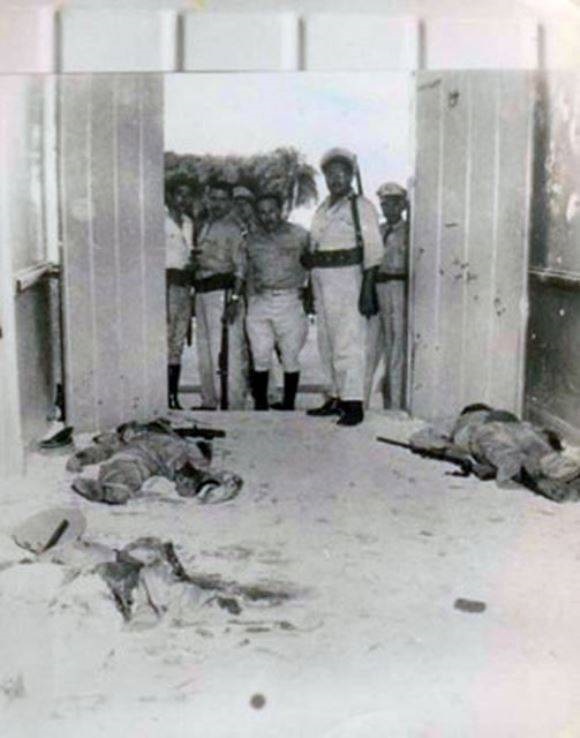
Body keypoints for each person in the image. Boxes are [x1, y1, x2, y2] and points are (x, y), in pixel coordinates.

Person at [304, 148, 383, 426]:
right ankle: (335, 396)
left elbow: (373, 249)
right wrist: (309, 286)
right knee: (326, 341)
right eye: (330, 175)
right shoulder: (323, 208)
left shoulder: (361, 206)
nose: (335, 179)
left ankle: (353, 402)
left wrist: (367, 288)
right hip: (321, 278)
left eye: (341, 174)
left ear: (350, 176)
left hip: (348, 278)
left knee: (348, 341)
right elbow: (314, 247)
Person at [67, 419, 243, 505]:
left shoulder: (189, 455)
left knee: (126, 473)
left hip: (149, 462)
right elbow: (104, 449)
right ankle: (106, 491)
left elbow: (226, 478)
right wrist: (81, 458)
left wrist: (210, 488)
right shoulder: (134, 439)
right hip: (136, 457)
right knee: (123, 471)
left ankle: (109, 491)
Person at [243, 193, 310, 411]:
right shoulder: (251, 239)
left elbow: (312, 265)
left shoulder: (300, 235)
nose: (267, 217)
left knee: (290, 355)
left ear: (280, 211)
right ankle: (260, 405)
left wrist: (308, 295)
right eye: (262, 212)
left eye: (271, 211)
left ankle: (288, 405)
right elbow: (244, 270)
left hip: (289, 299)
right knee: (260, 354)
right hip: (260, 301)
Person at [193, 181, 247, 410]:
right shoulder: (205, 224)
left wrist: (234, 300)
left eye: (222, 199)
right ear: (207, 199)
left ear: (230, 202)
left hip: (222, 292)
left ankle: (231, 405)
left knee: (226, 352)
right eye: (213, 198)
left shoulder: (233, 228)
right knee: (205, 350)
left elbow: (241, 268)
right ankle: (209, 401)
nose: (217, 204)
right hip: (202, 291)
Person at [365, 182, 409, 410]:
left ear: (403, 205)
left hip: (398, 287)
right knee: (370, 347)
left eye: (393, 203)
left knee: (396, 347)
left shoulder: (410, 231)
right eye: (384, 204)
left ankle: (395, 404)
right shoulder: (378, 231)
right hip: (378, 287)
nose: (388, 208)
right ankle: (360, 402)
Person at [165, 182, 194, 410]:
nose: (183, 199)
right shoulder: (158, 220)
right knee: (162, 341)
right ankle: (160, 396)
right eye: (179, 194)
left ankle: (173, 396)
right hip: (164, 286)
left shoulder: (188, 222)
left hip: (184, 286)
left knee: (178, 342)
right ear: (170, 195)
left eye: (187, 195)